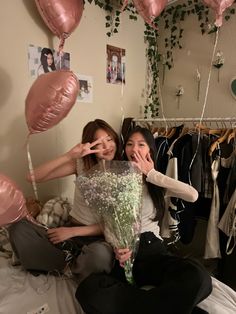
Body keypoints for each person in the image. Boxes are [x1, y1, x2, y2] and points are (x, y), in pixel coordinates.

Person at [76, 126, 212, 314]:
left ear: (150, 150)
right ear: (125, 150)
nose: (134, 149)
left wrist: (151, 173)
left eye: (141, 144)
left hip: (152, 250)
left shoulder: (156, 181)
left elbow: (192, 195)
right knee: (88, 291)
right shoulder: (115, 178)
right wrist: (116, 246)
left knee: (199, 277)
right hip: (125, 257)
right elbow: (108, 220)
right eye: (130, 144)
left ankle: (143, 307)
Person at [9, 119, 121, 281]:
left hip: (99, 239)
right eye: (99, 143)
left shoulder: (123, 172)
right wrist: (69, 155)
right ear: (90, 146)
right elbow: (32, 177)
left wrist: (71, 232)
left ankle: (68, 265)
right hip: (70, 236)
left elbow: (112, 225)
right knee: (18, 229)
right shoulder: (82, 165)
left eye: (109, 139)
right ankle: (70, 265)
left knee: (99, 257)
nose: (107, 147)